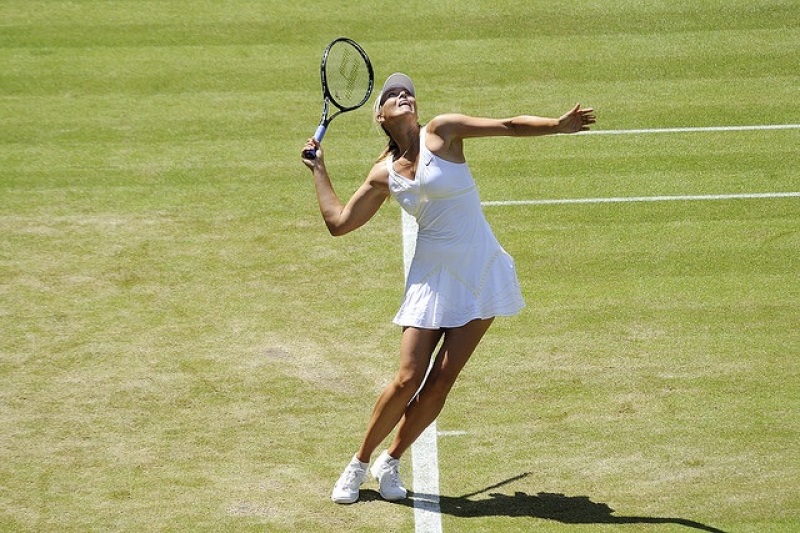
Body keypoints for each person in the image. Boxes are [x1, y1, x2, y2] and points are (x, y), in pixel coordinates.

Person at [301, 73, 595, 504]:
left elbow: (509, 125)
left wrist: (557, 125)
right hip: (431, 277)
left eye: (408, 93)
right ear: (379, 116)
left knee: (440, 380)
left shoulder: (443, 131)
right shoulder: (383, 174)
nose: (404, 96)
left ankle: (392, 460)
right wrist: (319, 168)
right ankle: (358, 464)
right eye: (392, 96)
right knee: (407, 378)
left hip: (479, 272)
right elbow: (339, 223)